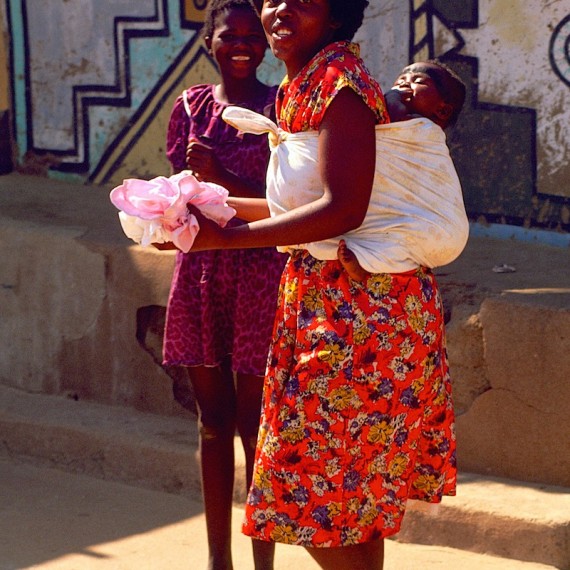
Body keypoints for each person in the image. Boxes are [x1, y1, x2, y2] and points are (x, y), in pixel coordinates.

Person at [189, 1, 457, 569]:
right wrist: (204, 208)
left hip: (359, 318)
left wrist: (228, 240)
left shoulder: (338, 85)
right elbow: (302, 204)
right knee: (350, 505)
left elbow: (342, 210)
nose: (282, 9)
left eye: (305, 0)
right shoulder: (304, 83)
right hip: (330, 306)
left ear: (335, 17)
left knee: (311, 500)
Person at [161, 1, 285, 569]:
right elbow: (179, 198)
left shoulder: (280, 107)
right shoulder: (190, 107)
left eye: (252, 37)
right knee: (212, 421)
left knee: (257, 427)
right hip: (203, 274)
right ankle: (219, 562)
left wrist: (221, 176)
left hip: (263, 273)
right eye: (228, 36)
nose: (242, 46)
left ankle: (263, 563)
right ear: (208, 41)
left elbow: (288, 204)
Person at [337, 59, 468, 281]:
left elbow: (391, 112)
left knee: (403, 237)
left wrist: (392, 95)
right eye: (402, 78)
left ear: (442, 110)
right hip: (420, 230)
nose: (406, 83)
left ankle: (366, 266)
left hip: (437, 229)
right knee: (396, 242)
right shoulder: (398, 130)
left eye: (418, 81)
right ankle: (369, 265)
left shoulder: (422, 129)